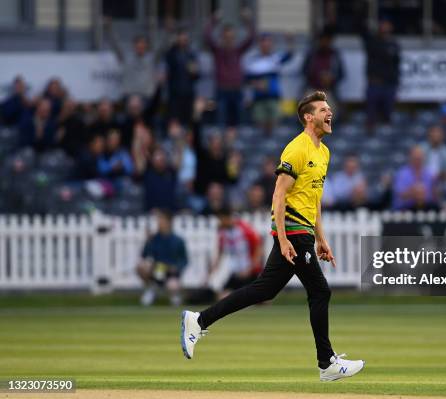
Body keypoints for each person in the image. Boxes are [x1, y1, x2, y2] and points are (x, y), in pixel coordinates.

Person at [181, 91, 365, 381]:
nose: (329, 113)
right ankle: (326, 363)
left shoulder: (324, 152)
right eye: (322, 109)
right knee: (320, 291)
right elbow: (279, 195)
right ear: (308, 117)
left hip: (303, 232)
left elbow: (314, 199)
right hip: (292, 231)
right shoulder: (297, 148)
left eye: (329, 109)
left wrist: (321, 238)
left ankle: (199, 320)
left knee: (264, 290)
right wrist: (282, 238)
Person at [204, 9, 255, 128]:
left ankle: (239, 145)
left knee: (240, 120)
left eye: (231, 36)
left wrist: (247, 21)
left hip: (237, 90)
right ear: (222, 37)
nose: (229, 39)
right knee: (221, 120)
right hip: (222, 90)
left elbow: (251, 38)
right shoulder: (218, 51)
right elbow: (207, 36)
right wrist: (214, 20)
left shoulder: (238, 50)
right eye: (226, 36)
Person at [244, 33, 294, 134]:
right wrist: (256, 84)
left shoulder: (275, 58)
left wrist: (290, 42)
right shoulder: (253, 61)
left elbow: (289, 55)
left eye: (268, 43)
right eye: (264, 42)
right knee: (259, 126)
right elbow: (246, 80)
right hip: (258, 99)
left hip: (273, 98)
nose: (266, 45)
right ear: (260, 44)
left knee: (275, 125)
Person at [207, 207, 262, 298]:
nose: (219, 222)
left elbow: (258, 246)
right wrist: (213, 269)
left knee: (261, 298)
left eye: (220, 219)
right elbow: (220, 250)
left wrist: (251, 267)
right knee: (223, 297)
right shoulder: (222, 232)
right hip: (236, 273)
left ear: (226, 217)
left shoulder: (244, 228)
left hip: (250, 271)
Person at [137, 210, 188, 306]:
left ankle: (174, 295)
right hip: (157, 270)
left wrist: (177, 267)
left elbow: (184, 260)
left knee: (172, 285)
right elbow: (145, 255)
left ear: (169, 222)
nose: (159, 223)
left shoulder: (178, 240)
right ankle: (152, 288)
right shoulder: (154, 239)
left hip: (171, 272)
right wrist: (148, 241)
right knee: (143, 267)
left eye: (162, 220)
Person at [361, 18, 400, 131]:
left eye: (388, 25)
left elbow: (396, 64)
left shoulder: (394, 44)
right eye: (383, 25)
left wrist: (395, 82)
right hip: (375, 83)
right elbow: (363, 32)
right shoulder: (372, 42)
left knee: (387, 115)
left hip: (389, 84)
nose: (385, 28)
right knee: (371, 116)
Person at [302, 30, 345, 117]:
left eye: (327, 40)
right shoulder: (312, 54)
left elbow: (341, 73)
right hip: (312, 89)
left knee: (331, 114)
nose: (324, 43)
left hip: (328, 90)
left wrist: (332, 78)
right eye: (322, 40)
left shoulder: (334, 55)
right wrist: (316, 76)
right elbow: (304, 71)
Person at [165, 29, 200, 125]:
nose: (182, 41)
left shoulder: (191, 54)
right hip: (175, 92)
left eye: (184, 39)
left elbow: (196, 76)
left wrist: (194, 72)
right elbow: (167, 58)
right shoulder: (172, 53)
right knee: (174, 120)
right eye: (180, 39)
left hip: (188, 92)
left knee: (188, 120)